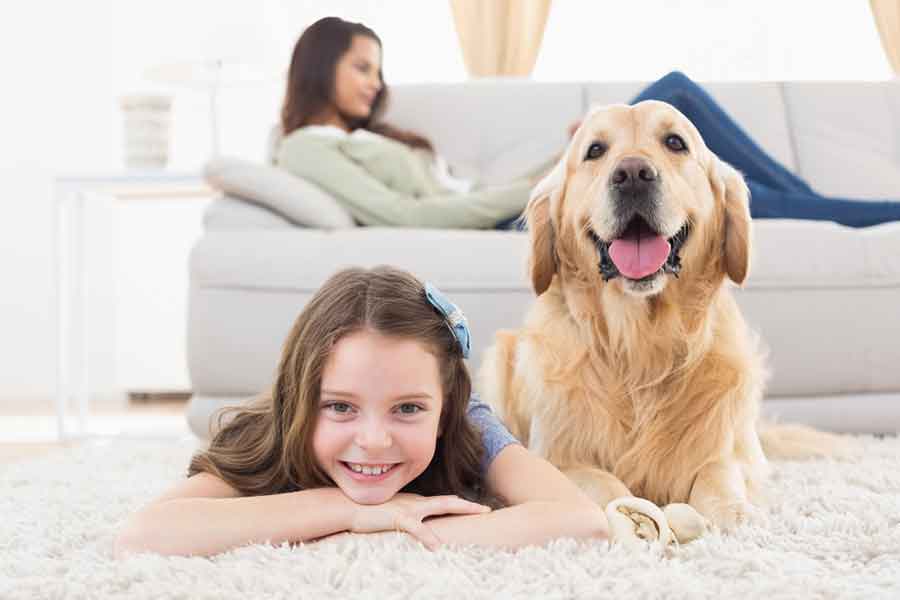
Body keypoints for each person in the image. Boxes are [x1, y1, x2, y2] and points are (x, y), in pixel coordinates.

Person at [114, 266, 608, 558]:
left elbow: (583, 521)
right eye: (340, 407)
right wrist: (350, 511)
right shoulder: (270, 431)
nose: (373, 439)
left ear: (445, 409)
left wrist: (405, 526)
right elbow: (142, 534)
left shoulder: (470, 422)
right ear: (300, 400)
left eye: (408, 408)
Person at [276, 17, 900, 230]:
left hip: (515, 202)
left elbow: (463, 193)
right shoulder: (306, 148)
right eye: (361, 67)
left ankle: (819, 205)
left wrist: (573, 153)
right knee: (684, 141)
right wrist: (554, 182)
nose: (373, 83)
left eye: (376, 70)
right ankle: (862, 213)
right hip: (511, 221)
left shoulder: (369, 138)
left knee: (676, 99)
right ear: (318, 64)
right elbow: (408, 217)